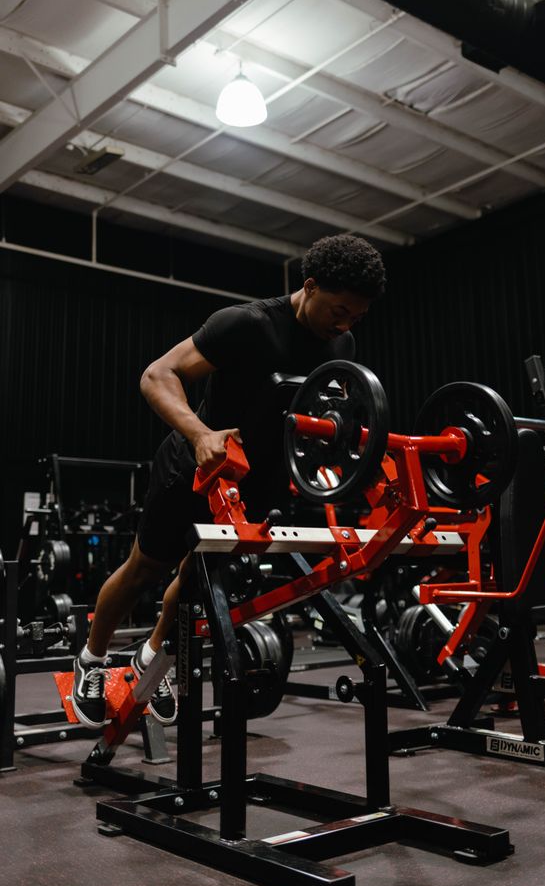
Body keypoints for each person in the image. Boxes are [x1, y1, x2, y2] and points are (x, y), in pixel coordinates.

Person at [70, 234, 386, 728]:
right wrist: (200, 434)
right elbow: (158, 375)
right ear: (309, 286)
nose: (345, 324)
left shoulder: (341, 343)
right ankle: (90, 660)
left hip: (258, 480)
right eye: (339, 310)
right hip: (196, 465)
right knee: (145, 568)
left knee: (197, 579)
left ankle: (150, 658)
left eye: (357, 317)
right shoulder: (247, 324)